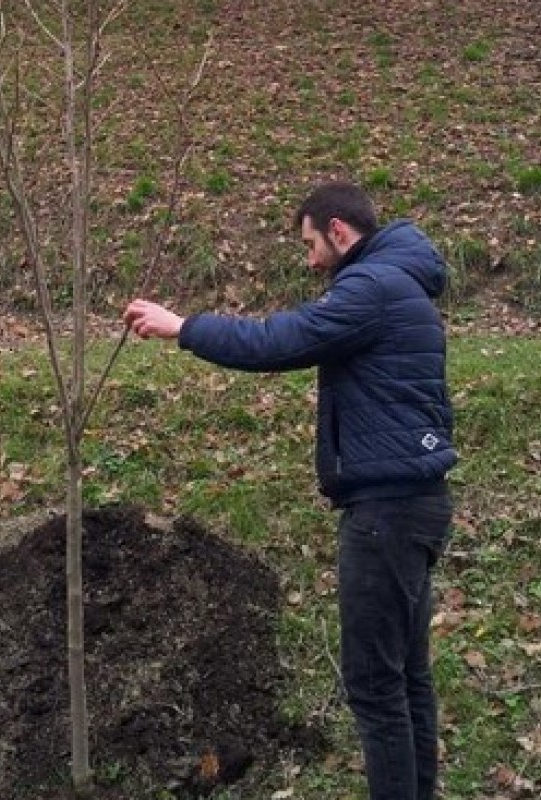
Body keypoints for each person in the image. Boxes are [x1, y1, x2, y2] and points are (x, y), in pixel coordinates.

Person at [123, 180, 457, 800]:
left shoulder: (372, 288)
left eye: (309, 244)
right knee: (406, 678)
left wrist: (185, 327)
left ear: (338, 231)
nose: (308, 261)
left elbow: (280, 341)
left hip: (385, 513)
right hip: (415, 503)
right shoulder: (399, 281)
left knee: (376, 688)